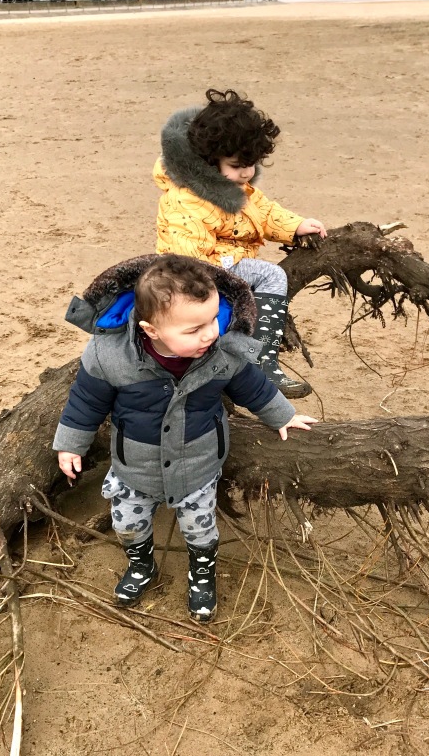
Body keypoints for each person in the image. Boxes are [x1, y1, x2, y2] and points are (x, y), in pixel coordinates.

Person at [53, 254, 317, 623]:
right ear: (151, 330)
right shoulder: (110, 355)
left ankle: (202, 573)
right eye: (194, 329)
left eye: (213, 319)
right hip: (134, 465)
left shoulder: (222, 351)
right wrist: (70, 444)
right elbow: (86, 400)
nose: (209, 334)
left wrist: (283, 415)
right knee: (127, 524)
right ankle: (141, 564)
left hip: (198, 461)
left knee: (200, 527)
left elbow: (252, 386)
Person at [154, 88, 327, 400]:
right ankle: (262, 362)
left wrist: (296, 226)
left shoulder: (237, 188)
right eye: (237, 165)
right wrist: (217, 281)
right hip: (195, 274)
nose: (247, 172)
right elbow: (186, 253)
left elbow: (266, 213)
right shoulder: (187, 199)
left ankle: (257, 361)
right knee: (271, 275)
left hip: (223, 264)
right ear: (209, 161)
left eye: (251, 163)